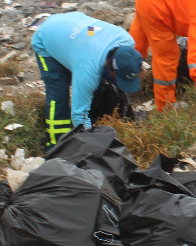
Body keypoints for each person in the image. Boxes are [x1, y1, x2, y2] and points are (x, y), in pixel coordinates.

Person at [31, 12, 143, 148]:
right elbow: (79, 115)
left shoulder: (127, 41)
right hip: (47, 36)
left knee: (96, 87)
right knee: (58, 94)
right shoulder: (87, 69)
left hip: (75, 27)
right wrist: (95, 144)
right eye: (117, 78)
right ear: (109, 65)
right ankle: (56, 145)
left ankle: (94, 118)